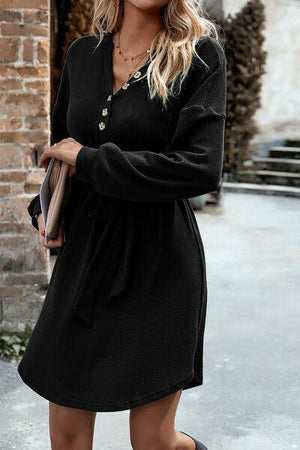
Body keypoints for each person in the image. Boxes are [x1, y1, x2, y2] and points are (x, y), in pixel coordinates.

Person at [17, 0, 227, 448]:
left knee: (153, 440)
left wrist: (92, 162)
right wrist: (46, 208)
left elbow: (201, 168)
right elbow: (62, 153)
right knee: (67, 434)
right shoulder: (81, 54)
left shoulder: (200, 55)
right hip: (85, 258)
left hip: (159, 259)